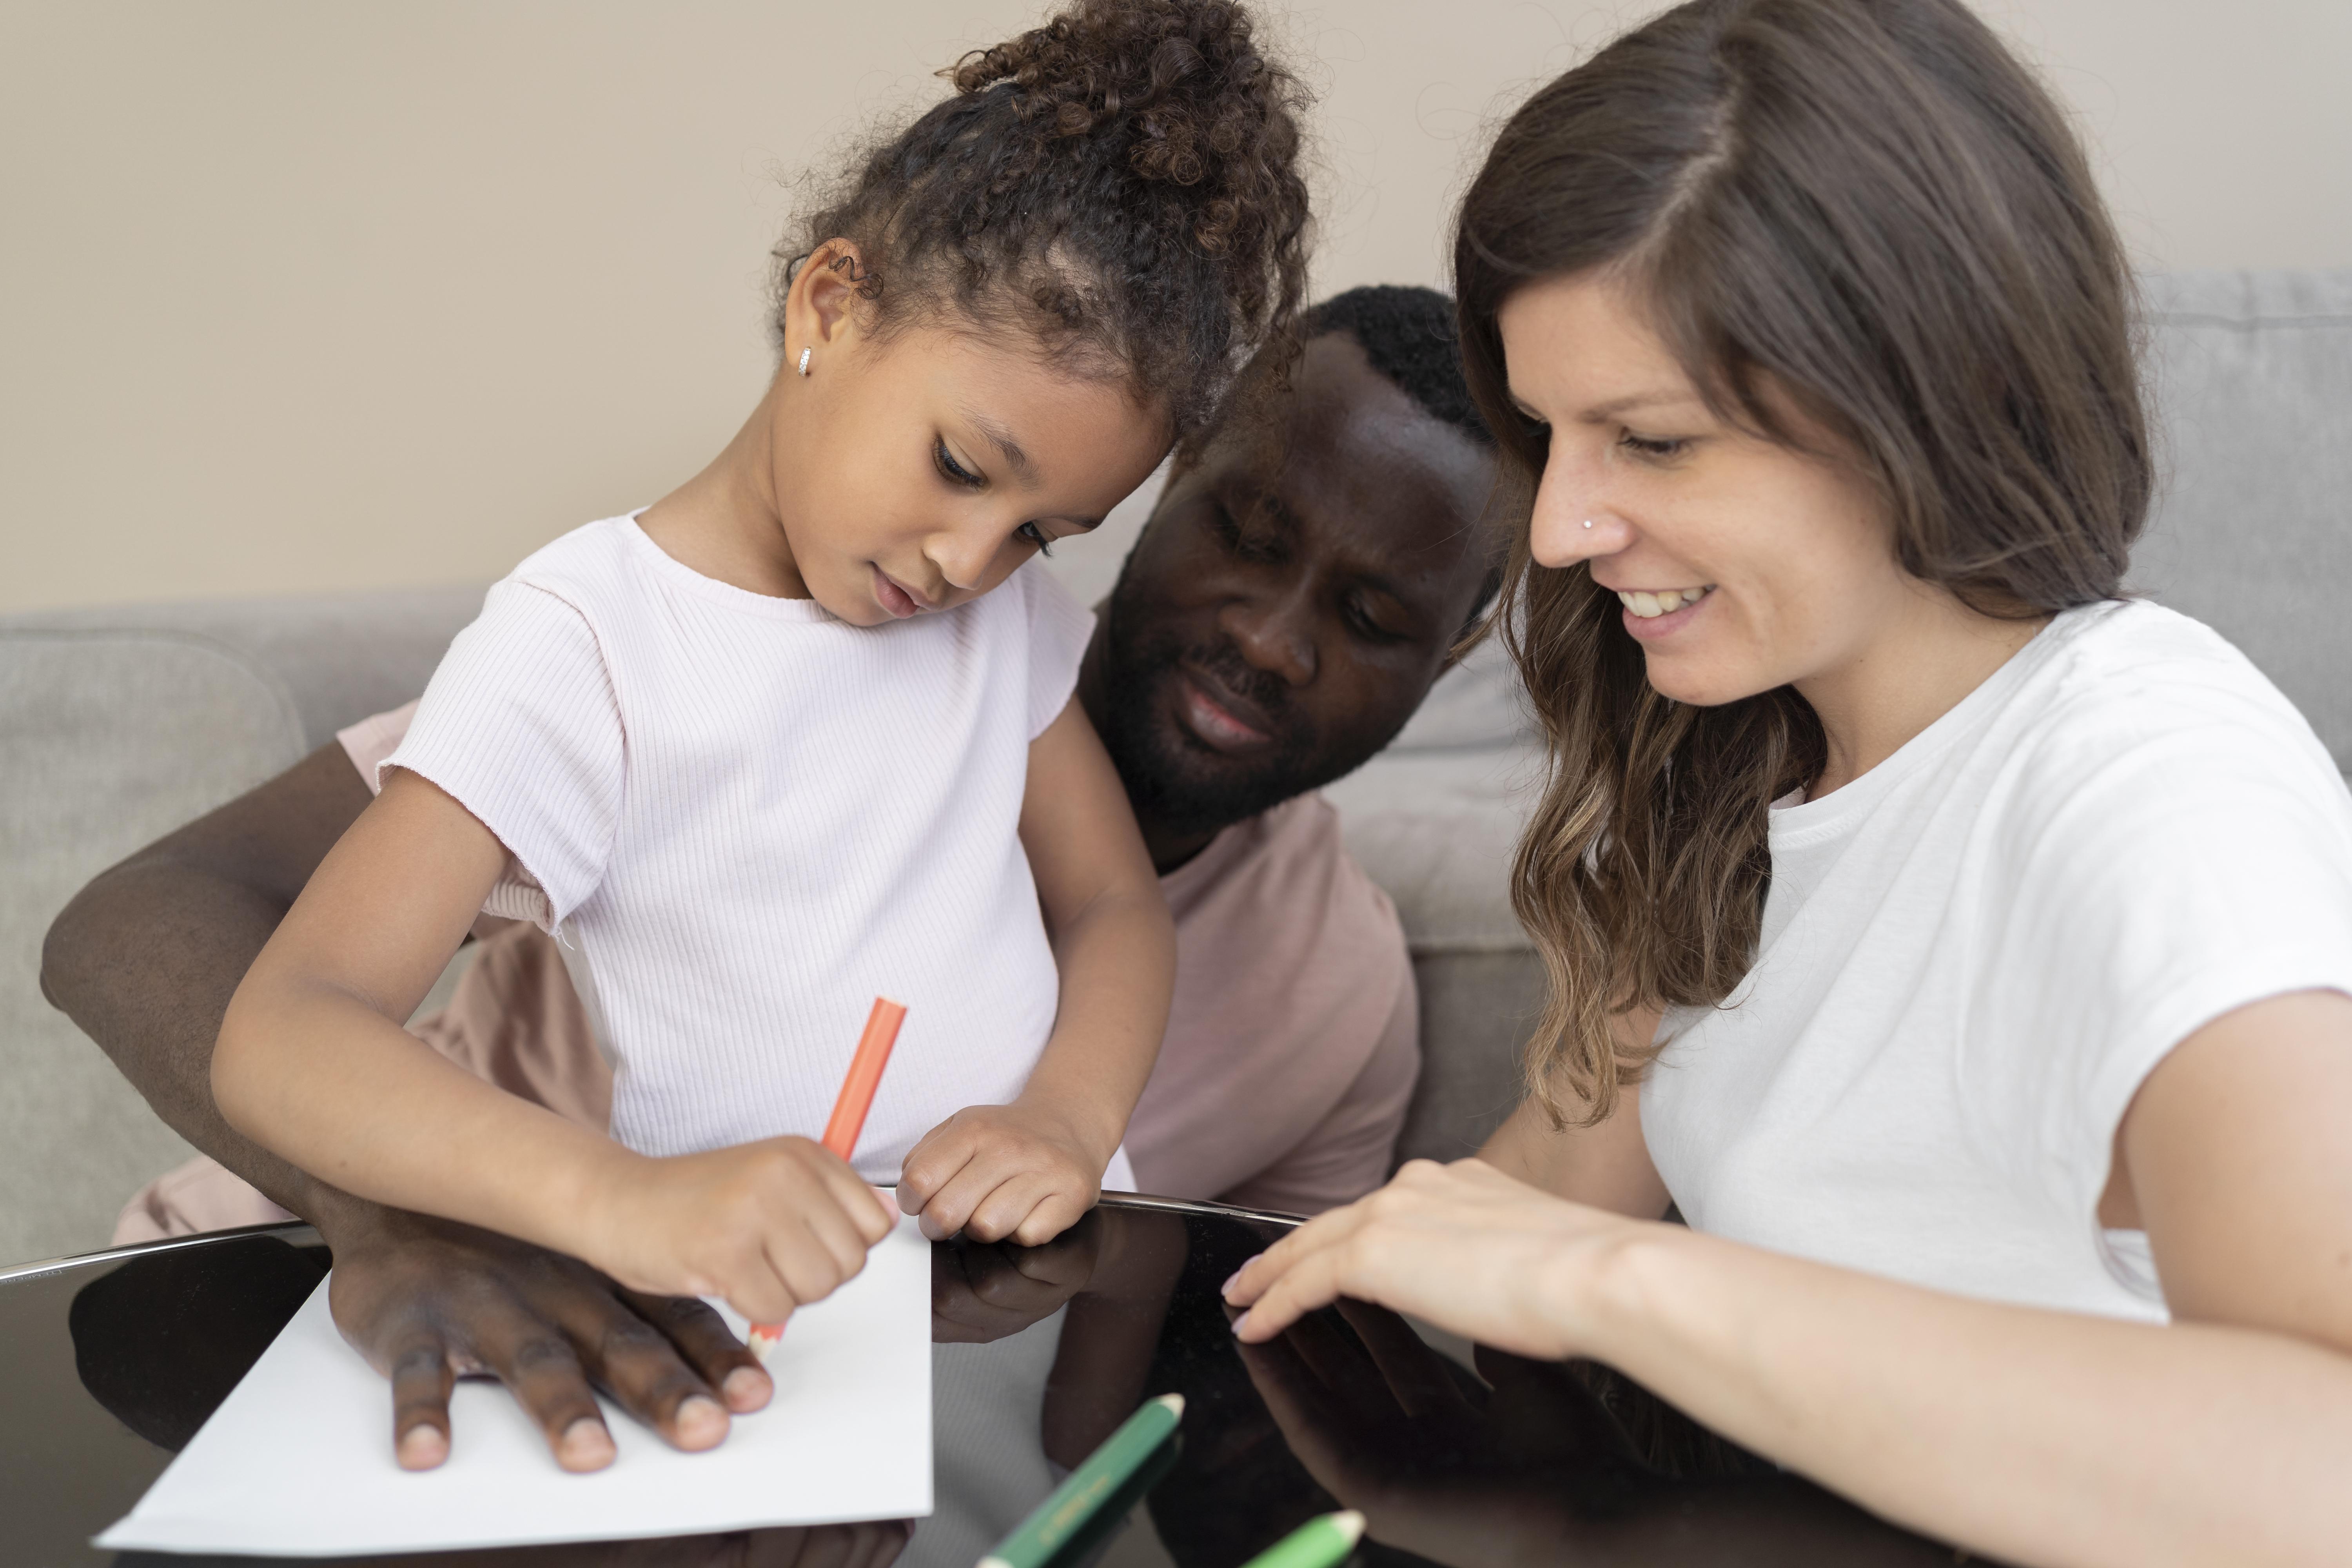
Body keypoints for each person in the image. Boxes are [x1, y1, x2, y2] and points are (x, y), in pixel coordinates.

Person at [1225, 1, 2352, 1564]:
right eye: (1549, 434)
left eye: (1655, 441)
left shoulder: (2150, 790)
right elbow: (1552, 1180)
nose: (1556, 530)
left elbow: (2326, 1465)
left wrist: (1623, 1289)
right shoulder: (1740, 748)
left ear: (1921, 396)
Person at [44, 287, 1502, 1467]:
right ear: (1163, 487)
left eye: (1375, 615)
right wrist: (398, 1223)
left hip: (760, 1455)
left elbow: (1188, 1406)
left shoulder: (1341, 990)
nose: (1272, 635)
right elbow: (137, 919)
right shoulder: (725, 673)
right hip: (304, 1323)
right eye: (1246, 533)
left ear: (1446, 660)